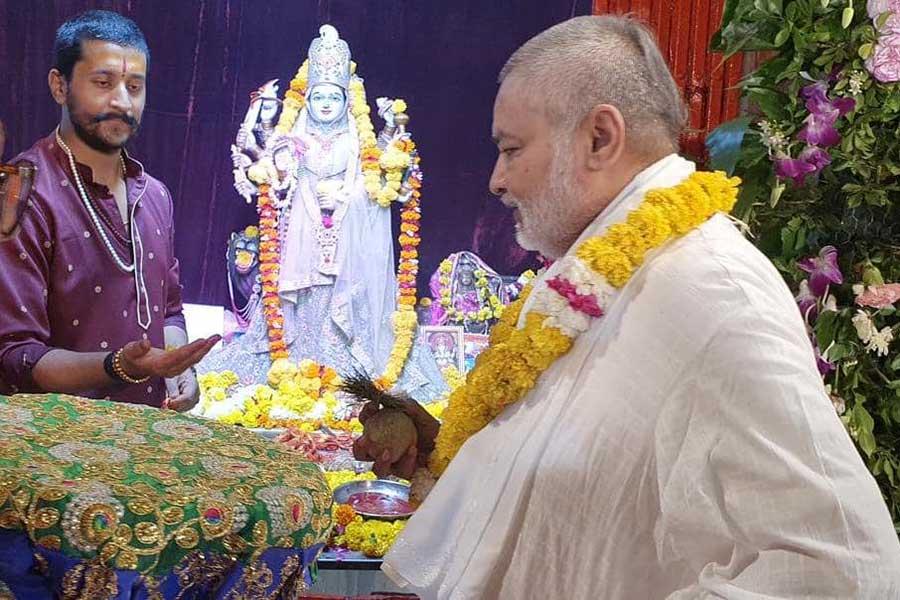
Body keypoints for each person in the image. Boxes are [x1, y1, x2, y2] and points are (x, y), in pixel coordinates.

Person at [352, 15, 900, 599]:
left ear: (600, 139)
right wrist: (447, 453)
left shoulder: (711, 289)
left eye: (512, 149)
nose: (497, 180)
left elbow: (846, 570)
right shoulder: (588, 275)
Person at [200, 25, 445, 401]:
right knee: (301, 293)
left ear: (347, 102)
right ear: (308, 99)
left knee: (344, 295)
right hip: (302, 226)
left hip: (348, 227)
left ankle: (350, 366)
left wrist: (349, 192)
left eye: (334, 96)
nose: (327, 103)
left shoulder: (357, 138)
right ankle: (292, 361)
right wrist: (292, 178)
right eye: (319, 97)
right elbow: (273, 180)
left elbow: (382, 186)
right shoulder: (292, 135)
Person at [0, 10, 218, 410]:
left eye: (135, 86)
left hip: (144, 441)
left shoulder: (155, 196)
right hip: (54, 451)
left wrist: (178, 368)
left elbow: (168, 312)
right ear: (59, 86)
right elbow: (14, 354)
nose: (122, 101)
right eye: (103, 83)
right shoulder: (19, 193)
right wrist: (118, 366)